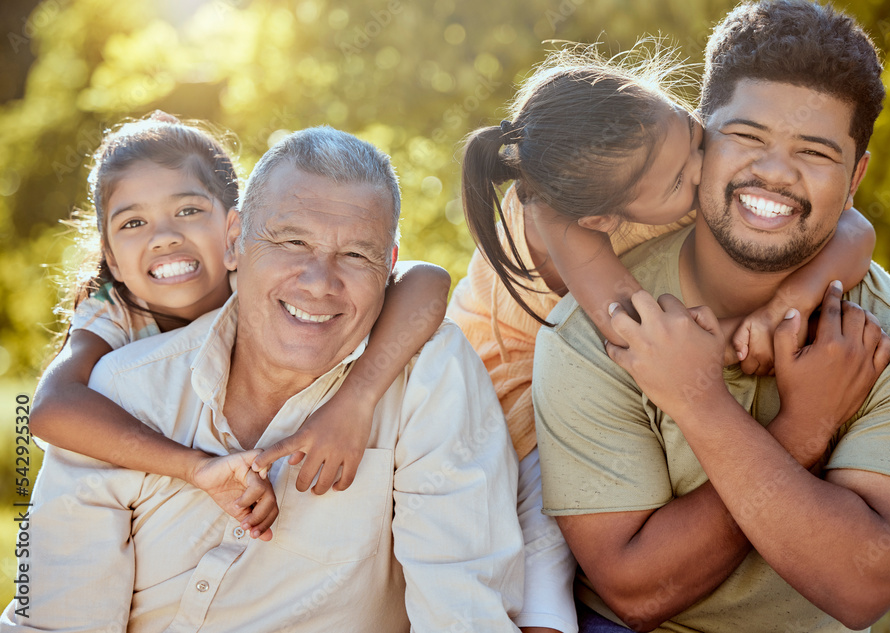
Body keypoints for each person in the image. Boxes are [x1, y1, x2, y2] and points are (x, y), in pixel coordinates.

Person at [533, 2, 890, 632]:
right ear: (699, 137)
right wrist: (804, 429)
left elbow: (861, 585)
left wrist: (700, 404)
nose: (774, 171)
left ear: (856, 179)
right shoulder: (595, 332)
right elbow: (635, 593)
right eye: (748, 136)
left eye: (815, 152)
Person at [2, 126, 524, 632]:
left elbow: (463, 609)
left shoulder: (426, 374)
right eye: (292, 241)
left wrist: (356, 397)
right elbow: (55, 613)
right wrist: (194, 466)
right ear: (236, 241)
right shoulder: (121, 381)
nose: (319, 282)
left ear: (387, 268)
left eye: (355, 255)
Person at [448, 41, 876, 633]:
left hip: (580, 382)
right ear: (600, 218)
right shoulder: (559, 214)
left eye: (697, 138)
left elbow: (855, 227)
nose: (705, 171)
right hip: (510, 394)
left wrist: (787, 302)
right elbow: (640, 328)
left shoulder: (651, 149)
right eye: (681, 180)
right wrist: (727, 345)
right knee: (544, 560)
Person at [27, 112, 451, 540]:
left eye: (188, 209)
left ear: (235, 232)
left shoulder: (261, 274)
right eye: (134, 222)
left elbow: (428, 281)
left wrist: (356, 400)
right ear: (112, 257)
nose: (165, 236)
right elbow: (50, 408)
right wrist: (194, 467)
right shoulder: (115, 310)